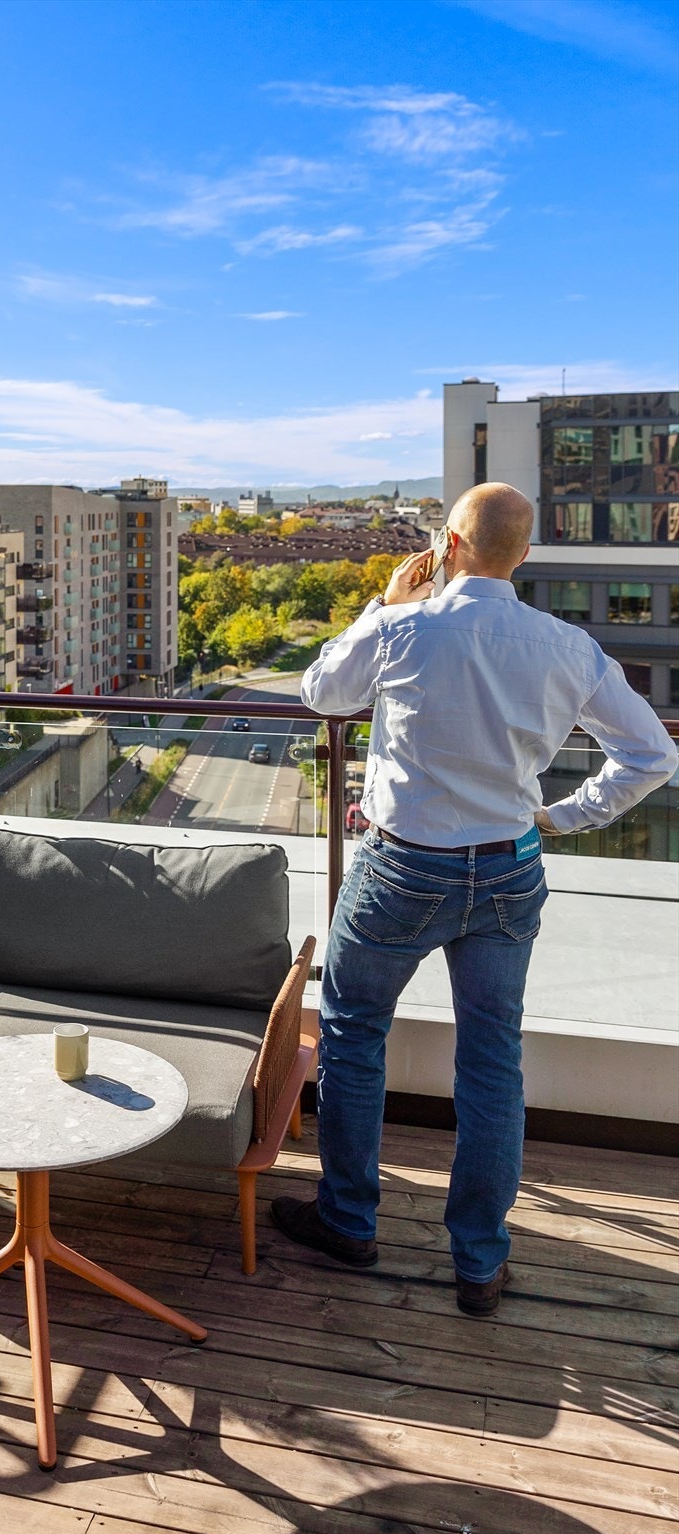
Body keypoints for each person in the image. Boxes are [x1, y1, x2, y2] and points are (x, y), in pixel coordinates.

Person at [271, 483, 677, 1317]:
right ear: (521, 556)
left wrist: (380, 606)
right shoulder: (565, 645)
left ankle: (348, 1221)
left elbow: (320, 693)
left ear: (446, 545)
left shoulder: (401, 627)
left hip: (401, 870)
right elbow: (648, 755)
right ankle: (479, 1262)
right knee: (491, 1062)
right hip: (506, 868)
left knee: (353, 1037)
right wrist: (563, 816)